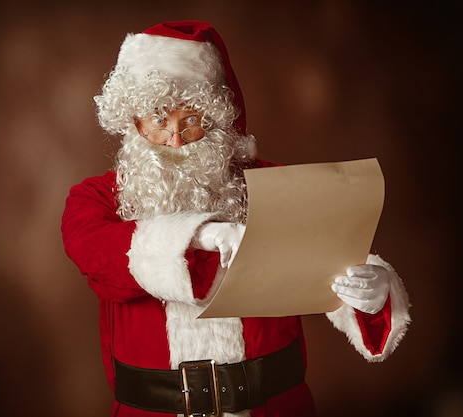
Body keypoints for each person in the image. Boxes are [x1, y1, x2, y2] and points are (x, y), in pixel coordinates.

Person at [61, 20, 411, 417]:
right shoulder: (96, 198)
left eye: (190, 120)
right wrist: (200, 235)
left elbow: (326, 258)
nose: (175, 140)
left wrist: (372, 291)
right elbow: (94, 254)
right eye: (159, 120)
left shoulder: (272, 184)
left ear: (214, 119)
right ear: (133, 121)